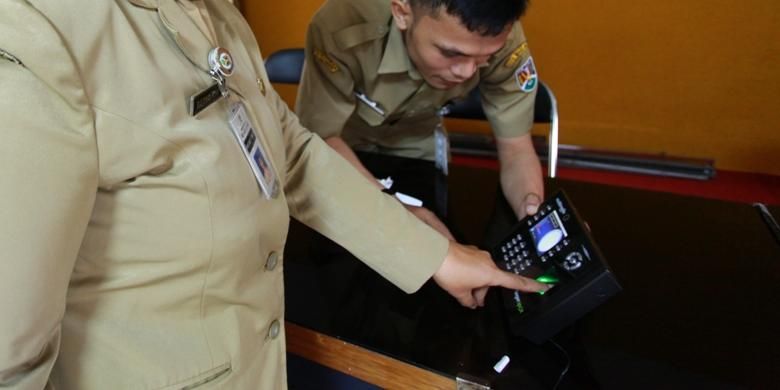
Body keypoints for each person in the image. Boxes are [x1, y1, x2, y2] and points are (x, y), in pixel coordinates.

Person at [0, 1, 547, 389]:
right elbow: (12, 345)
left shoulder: (216, 14)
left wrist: (439, 256)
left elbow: (288, 148)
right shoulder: (35, 31)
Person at [296, 0, 544, 238]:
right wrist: (395, 213)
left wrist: (533, 214)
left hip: (417, 143)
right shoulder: (344, 23)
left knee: (437, 237)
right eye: (450, 53)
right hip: (344, 144)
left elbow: (517, 149)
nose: (466, 72)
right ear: (402, 12)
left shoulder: (499, 34)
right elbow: (322, 137)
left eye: (483, 58)